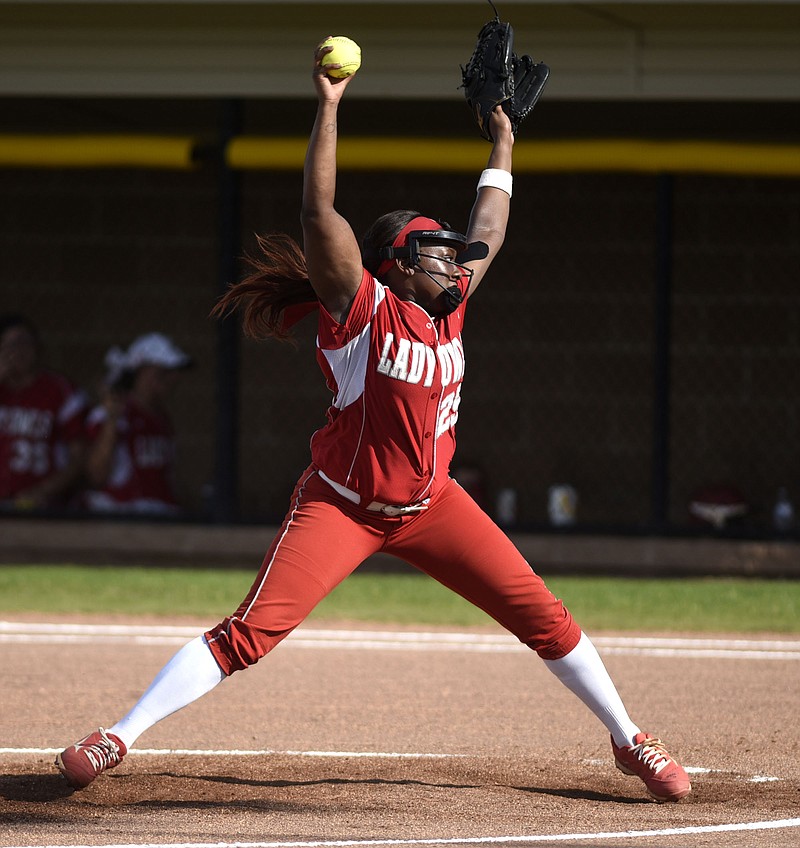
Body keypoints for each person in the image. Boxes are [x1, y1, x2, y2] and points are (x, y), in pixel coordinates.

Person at [55, 40, 691, 803]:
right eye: (439, 254)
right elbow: (317, 213)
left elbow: (490, 216)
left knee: (545, 618)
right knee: (249, 634)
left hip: (432, 506)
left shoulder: (448, 308)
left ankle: (631, 742)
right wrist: (328, 107)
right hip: (342, 506)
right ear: (393, 262)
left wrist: (503, 141)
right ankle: (116, 737)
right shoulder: (363, 312)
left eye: (459, 257)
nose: (458, 265)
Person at [82, 332, 192, 516]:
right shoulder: (112, 412)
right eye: (162, 372)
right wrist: (112, 421)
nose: (171, 379)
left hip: (160, 517)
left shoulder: (162, 418)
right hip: (122, 515)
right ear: (141, 371)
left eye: (173, 373)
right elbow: (96, 475)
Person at [0, 313, 87, 510]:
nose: (19, 351)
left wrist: (43, 491)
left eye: (25, 343)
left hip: (42, 504)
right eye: (11, 345)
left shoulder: (60, 391)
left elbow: (79, 457)